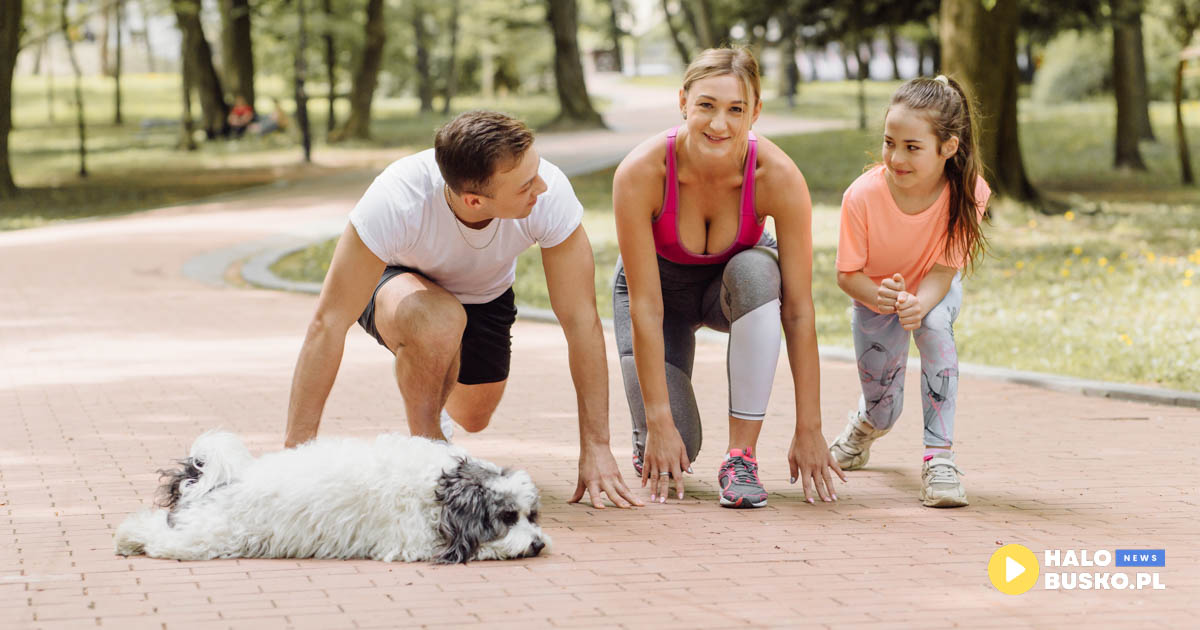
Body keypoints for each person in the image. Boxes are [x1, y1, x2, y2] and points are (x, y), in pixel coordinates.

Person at [284, 110, 642, 510]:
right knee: (438, 322)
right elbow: (328, 323)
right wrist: (293, 459)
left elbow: (581, 322)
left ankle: (428, 370)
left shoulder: (548, 194)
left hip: (485, 294)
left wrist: (596, 446)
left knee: (474, 415)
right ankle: (430, 460)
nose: (541, 185)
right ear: (474, 200)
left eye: (537, 171)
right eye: (526, 185)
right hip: (399, 283)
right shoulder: (399, 197)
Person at [612, 47, 844, 509]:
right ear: (683, 101)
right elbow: (646, 305)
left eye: (736, 109)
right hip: (661, 297)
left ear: (755, 111)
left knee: (759, 267)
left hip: (729, 292)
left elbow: (798, 311)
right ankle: (654, 434)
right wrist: (658, 421)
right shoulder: (641, 173)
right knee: (674, 448)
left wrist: (810, 427)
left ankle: (742, 458)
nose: (719, 124)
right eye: (706, 106)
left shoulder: (777, 176)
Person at [829, 76, 990, 508]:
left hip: (931, 292)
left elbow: (943, 271)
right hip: (874, 295)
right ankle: (864, 427)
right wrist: (881, 295)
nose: (896, 157)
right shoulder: (860, 197)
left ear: (948, 147)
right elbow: (847, 275)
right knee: (885, 408)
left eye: (912, 147)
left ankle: (940, 459)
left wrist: (919, 303)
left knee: (936, 327)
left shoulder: (968, 193)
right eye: (889, 142)